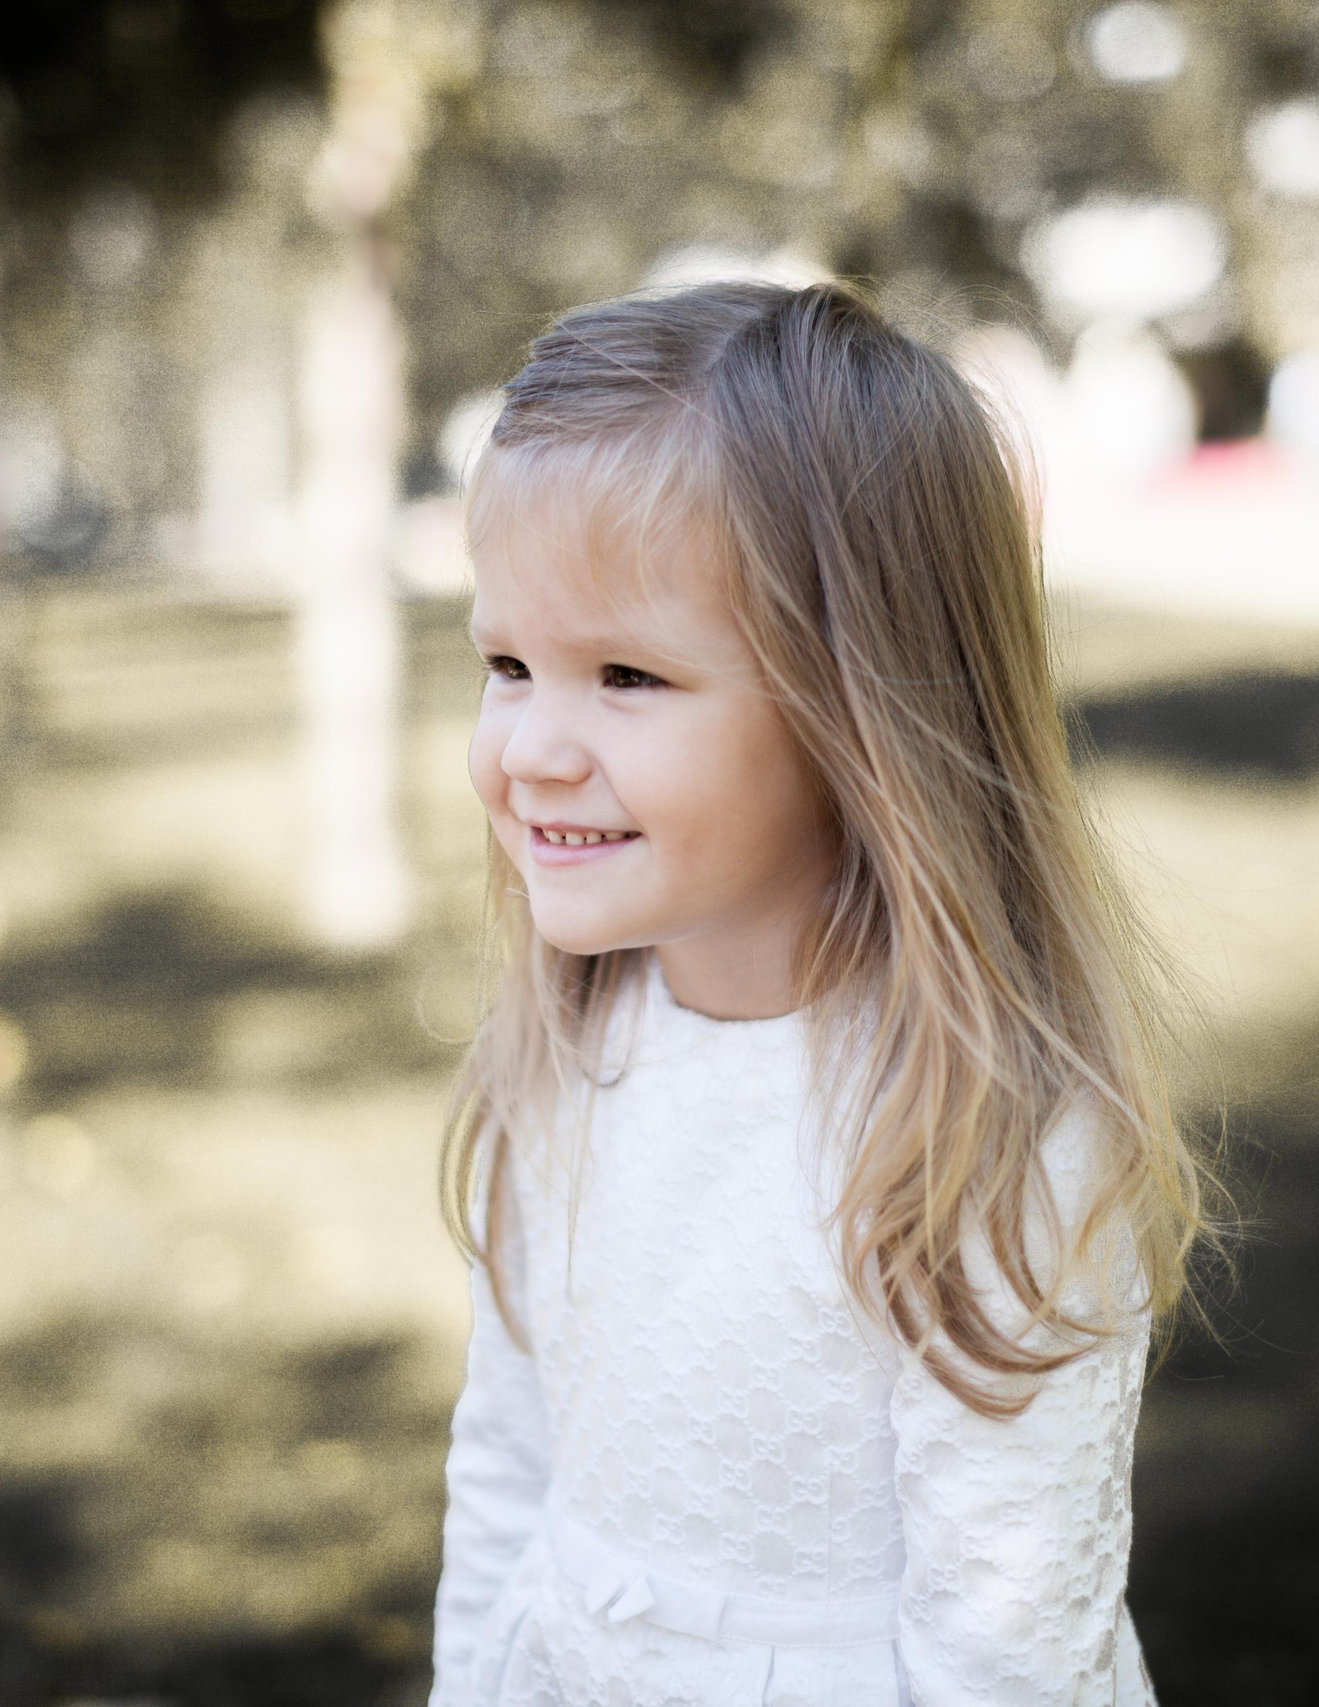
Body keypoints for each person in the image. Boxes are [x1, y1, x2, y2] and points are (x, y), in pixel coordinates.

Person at [430, 281, 1218, 1706]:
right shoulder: (569, 1047)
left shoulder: (976, 1133)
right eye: (505, 664)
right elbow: (507, 1470)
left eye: (625, 673)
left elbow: (1009, 1649)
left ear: (864, 712)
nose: (533, 747)